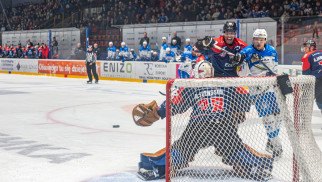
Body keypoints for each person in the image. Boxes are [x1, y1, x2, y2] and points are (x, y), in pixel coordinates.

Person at [134, 60, 275, 181]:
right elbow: (244, 100)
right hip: (223, 126)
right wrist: (237, 113)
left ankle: (157, 166)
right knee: (236, 149)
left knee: (181, 149)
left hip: (198, 126)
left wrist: (158, 112)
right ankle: (253, 165)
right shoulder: (226, 83)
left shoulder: (192, 86)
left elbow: (174, 103)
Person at [239, 29, 282, 157]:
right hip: (257, 89)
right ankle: (277, 146)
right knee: (268, 119)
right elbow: (241, 74)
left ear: (265, 40)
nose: (259, 42)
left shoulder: (272, 50)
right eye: (257, 39)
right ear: (253, 40)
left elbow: (275, 69)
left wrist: (272, 74)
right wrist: (242, 61)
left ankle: (271, 141)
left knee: (279, 115)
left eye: (261, 40)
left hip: (270, 88)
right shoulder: (246, 52)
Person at [301, 39, 322, 113]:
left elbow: (305, 74)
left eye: (306, 48)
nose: (304, 50)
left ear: (312, 47)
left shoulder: (307, 56)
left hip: (318, 80)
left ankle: (303, 119)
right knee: (320, 100)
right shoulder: (321, 52)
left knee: (305, 99)